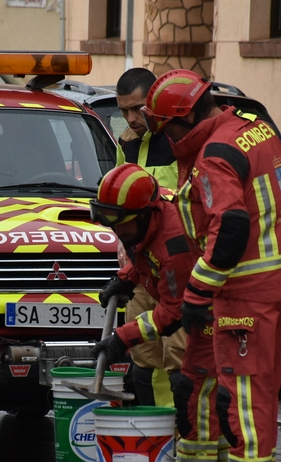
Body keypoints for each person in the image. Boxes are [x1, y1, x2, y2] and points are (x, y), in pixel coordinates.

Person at [143, 70, 281, 462]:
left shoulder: (214, 154)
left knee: (244, 402)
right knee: (260, 397)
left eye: (168, 128)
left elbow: (230, 226)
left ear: (187, 116)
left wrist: (197, 293)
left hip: (245, 294)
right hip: (280, 283)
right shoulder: (255, 129)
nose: (168, 139)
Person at [91, 163, 196, 438]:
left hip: (195, 311)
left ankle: (182, 438)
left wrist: (122, 338)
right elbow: (143, 253)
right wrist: (125, 278)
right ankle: (153, 434)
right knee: (143, 368)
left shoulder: (174, 244)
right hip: (167, 293)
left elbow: (174, 312)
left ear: (145, 214)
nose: (118, 232)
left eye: (122, 224)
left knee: (181, 369)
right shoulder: (141, 223)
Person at [112, 67, 185, 411]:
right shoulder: (126, 143)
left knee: (179, 360)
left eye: (137, 108)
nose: (130, 118)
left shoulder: (181, 140)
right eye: (123, 110)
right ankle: (155, 434)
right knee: (143, 358)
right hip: (142, 269)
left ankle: (183, 437)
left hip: (180, 270)